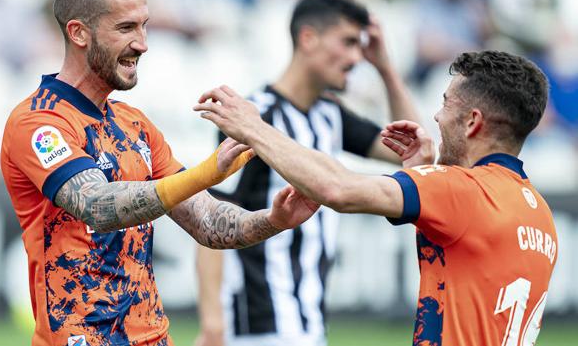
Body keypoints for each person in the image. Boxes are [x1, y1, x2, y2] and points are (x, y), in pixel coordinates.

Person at [0, 0, 318, 346]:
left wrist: (274, 219)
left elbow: (207, 223)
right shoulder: (38, 121)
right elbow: (97, 206)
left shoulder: (135, 124)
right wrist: (205, 173)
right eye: (126, 28)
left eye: (144, 25)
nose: (143, 43)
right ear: (79, 33)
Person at [195, 50, 558, 345]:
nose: (436, 115)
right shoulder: (539, 214)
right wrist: (421, 172)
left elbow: (337, 188)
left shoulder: (461, 188)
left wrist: (254, 129)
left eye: (447, 104)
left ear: (472, 121)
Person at [195, 0, 420, 346]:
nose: (354, 57)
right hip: (259, 323)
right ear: (308, 38)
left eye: (360, 47)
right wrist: (212, 326)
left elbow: (414, 154)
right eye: (347, 42)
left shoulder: (330, 114)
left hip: (308, 321)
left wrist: (386, 68)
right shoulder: (251, 116)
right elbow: (208, 222)